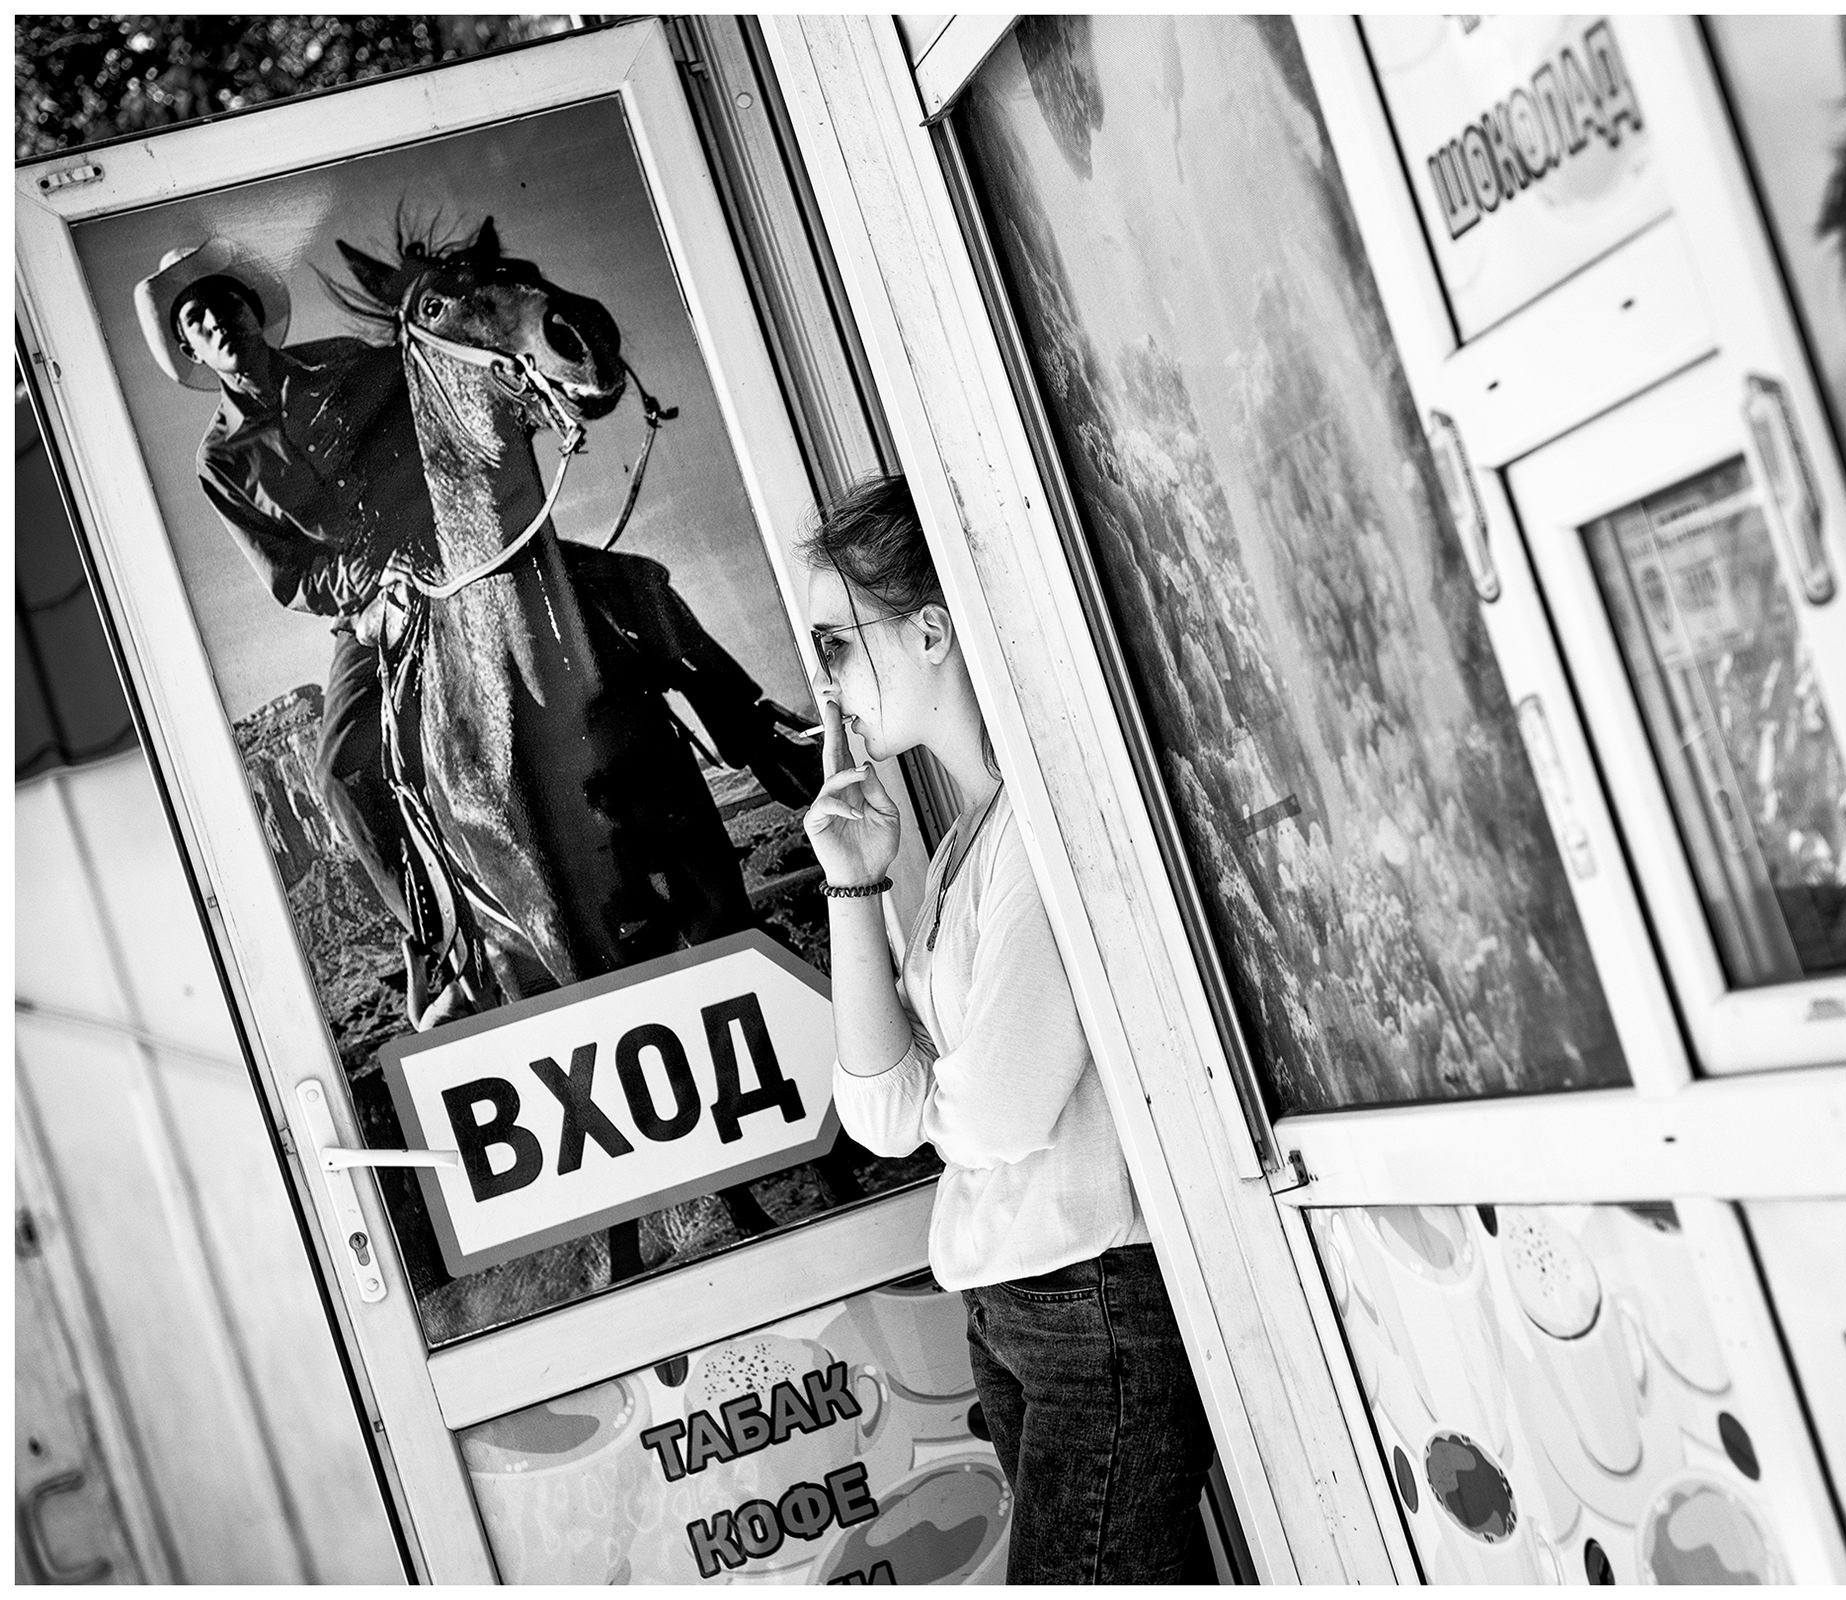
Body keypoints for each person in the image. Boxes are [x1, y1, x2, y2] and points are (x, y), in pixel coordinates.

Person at [133, 237, 819, 1027]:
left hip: (467, 545)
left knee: (637, 584)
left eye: (224, 301)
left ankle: (760, 730)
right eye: (195, 319)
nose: (216, 320)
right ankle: (440, 942)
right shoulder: (221, 459)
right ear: (191, 349)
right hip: (375, 604)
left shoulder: (352, 363)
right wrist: (368, 588)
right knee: (340, 769)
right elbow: (289, 573)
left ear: (253, 311)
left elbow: (450, 396)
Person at [800, 473, 1217, 1584]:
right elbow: (885, 1116)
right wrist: (853, 883)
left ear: (932, 631)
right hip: (1015, 1308)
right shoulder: (963, 846)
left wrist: (949, 1093)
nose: (827, 685)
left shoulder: (1038, 825)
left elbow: (996, 1110)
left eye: (838, 643)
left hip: (1093, 1301)